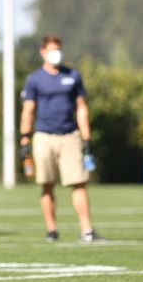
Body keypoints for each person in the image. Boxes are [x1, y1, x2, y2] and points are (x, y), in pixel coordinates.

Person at [18, 36, 99, 242]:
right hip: (44, 136)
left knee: (79, 183)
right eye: (52, 50)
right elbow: (28, 110)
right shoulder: (34, 79)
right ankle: (52, 230)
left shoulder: (73, 75)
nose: (56, 54)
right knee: (46, 184)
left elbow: (81, 107)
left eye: (58, 49)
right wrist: (24, 139)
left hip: (70, 135)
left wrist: (86, 136)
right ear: (42, 52)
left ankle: (87, 230)